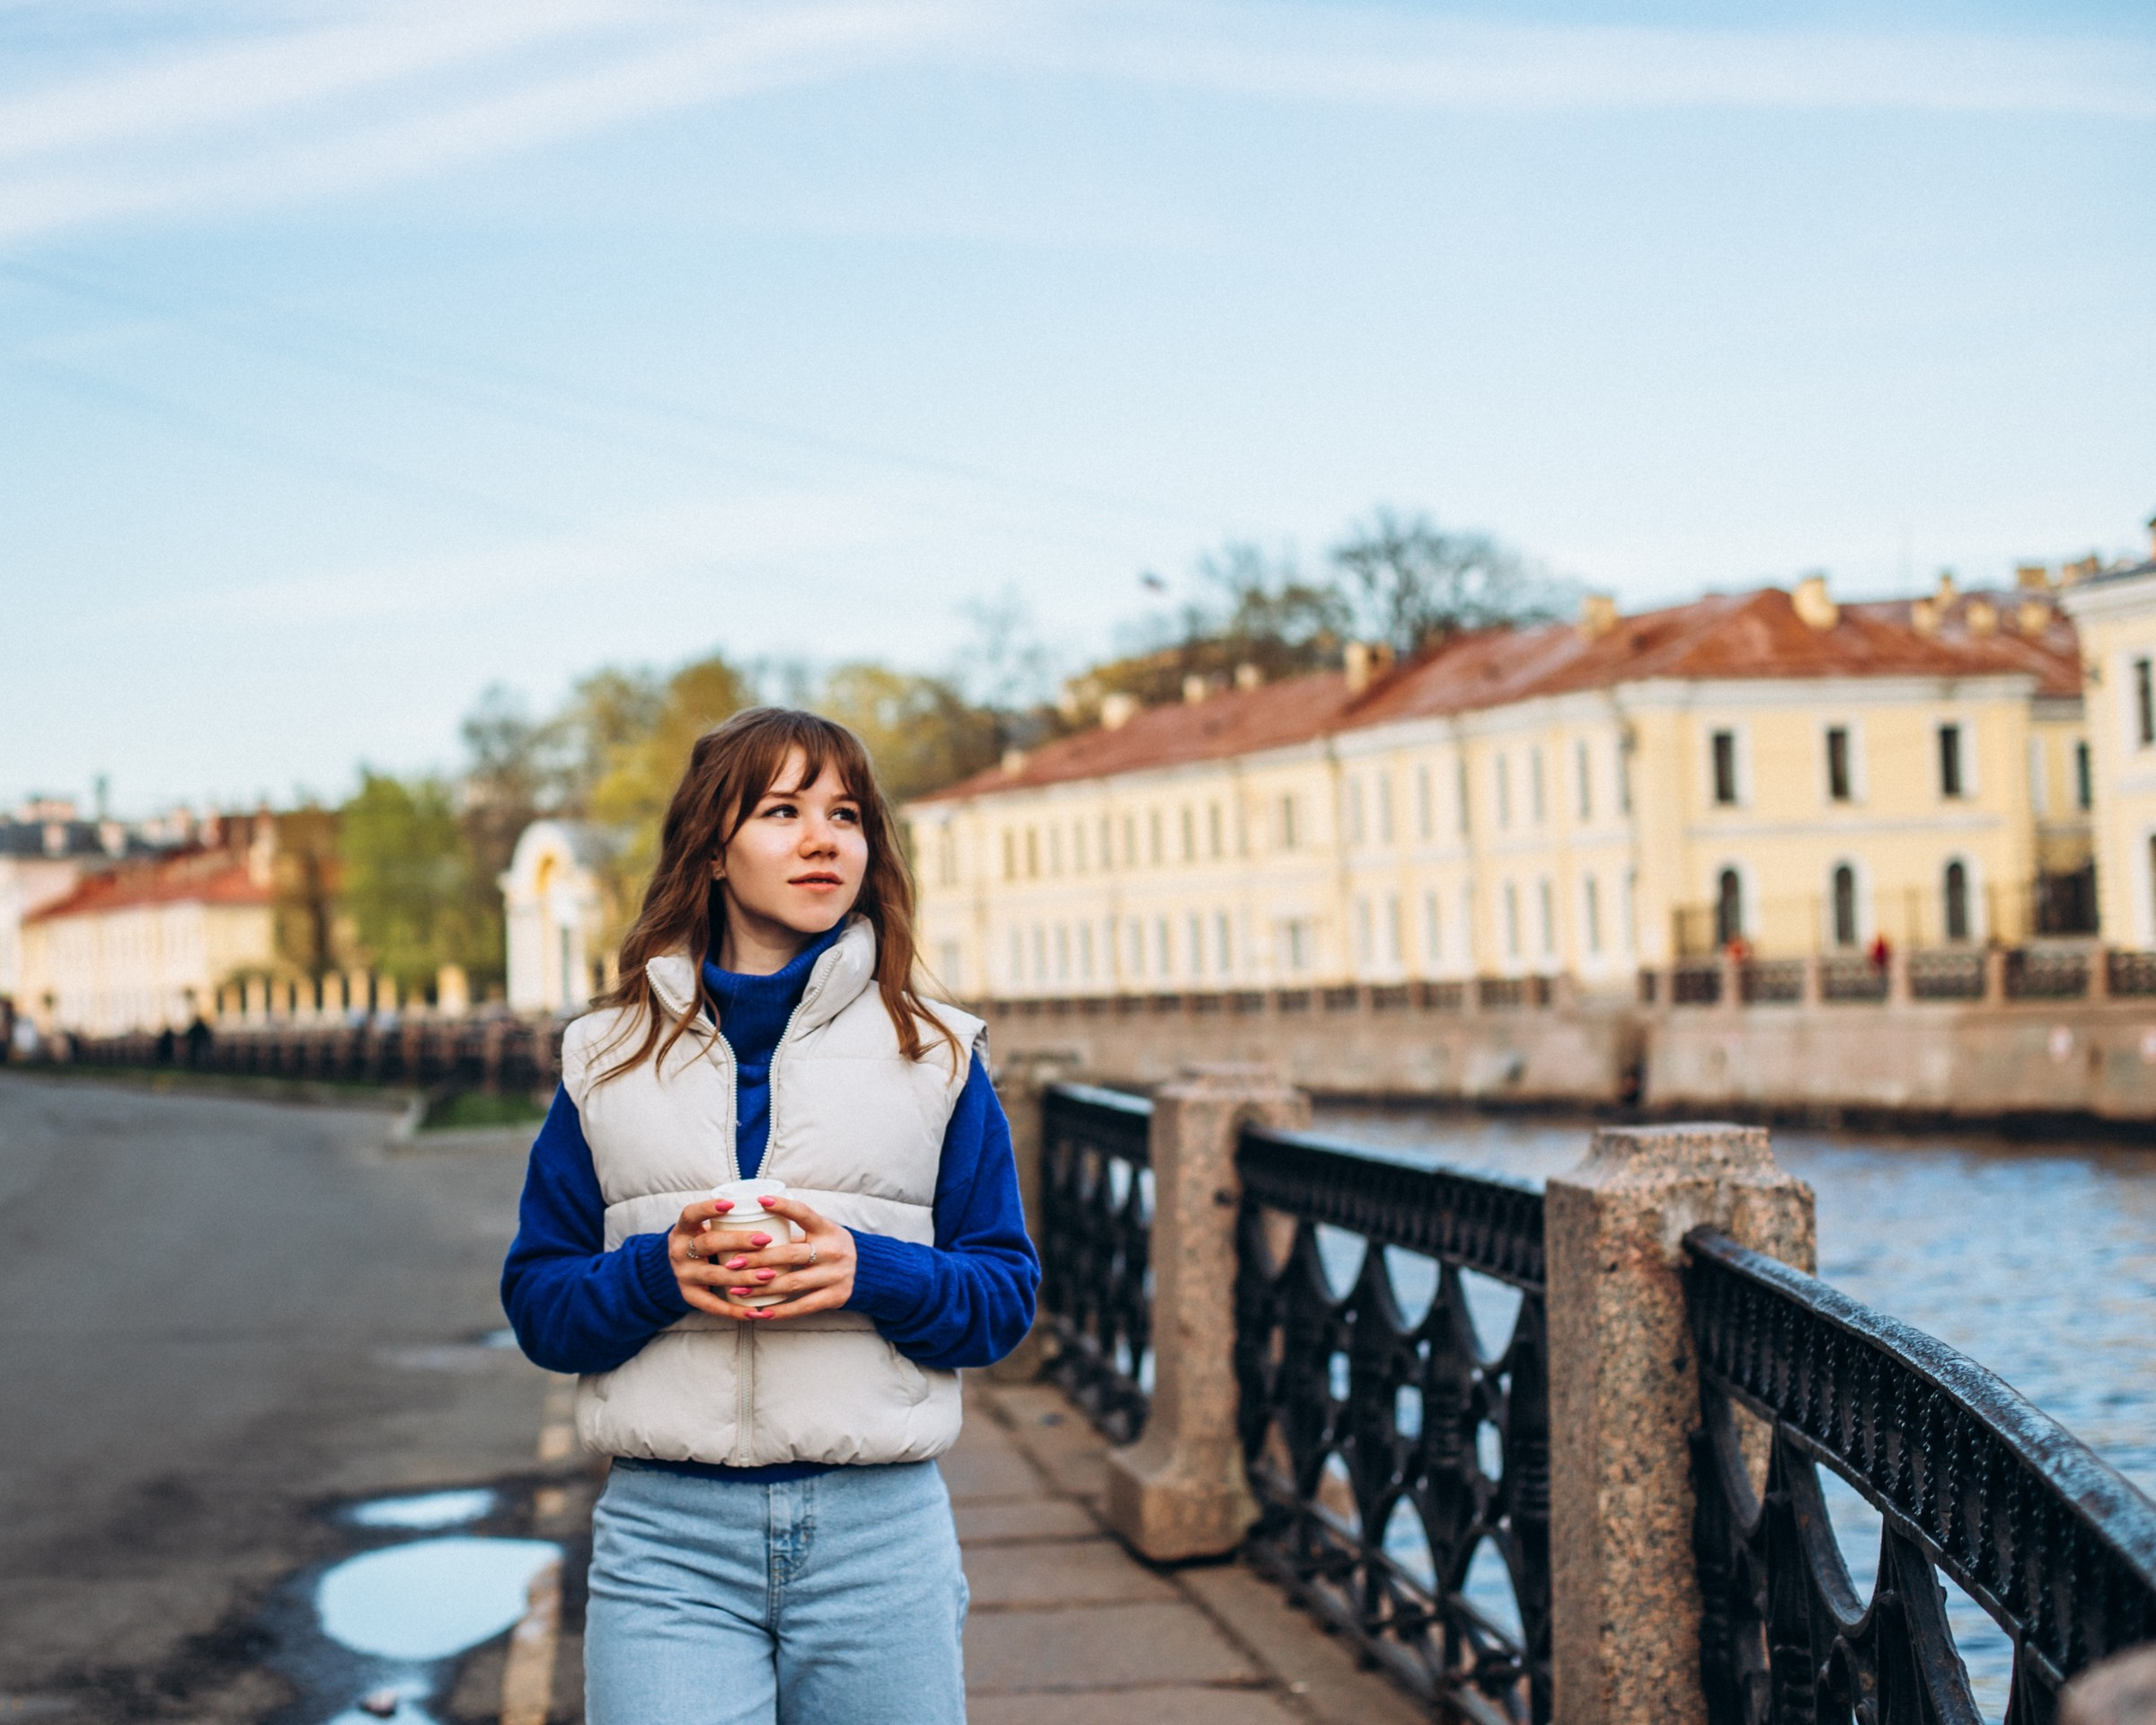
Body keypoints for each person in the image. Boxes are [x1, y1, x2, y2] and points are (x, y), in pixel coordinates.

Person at [501, 707, 1038, 1725]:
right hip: (668, 1541)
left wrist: (866, 1271)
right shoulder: (605, 1060)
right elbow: (538, 1301)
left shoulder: (938, 1054)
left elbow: (1004, 1297)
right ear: (712, 849)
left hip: (879, 1536)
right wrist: (659, 1277)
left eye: (845, 814)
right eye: (782, 811)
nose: (823, 838)